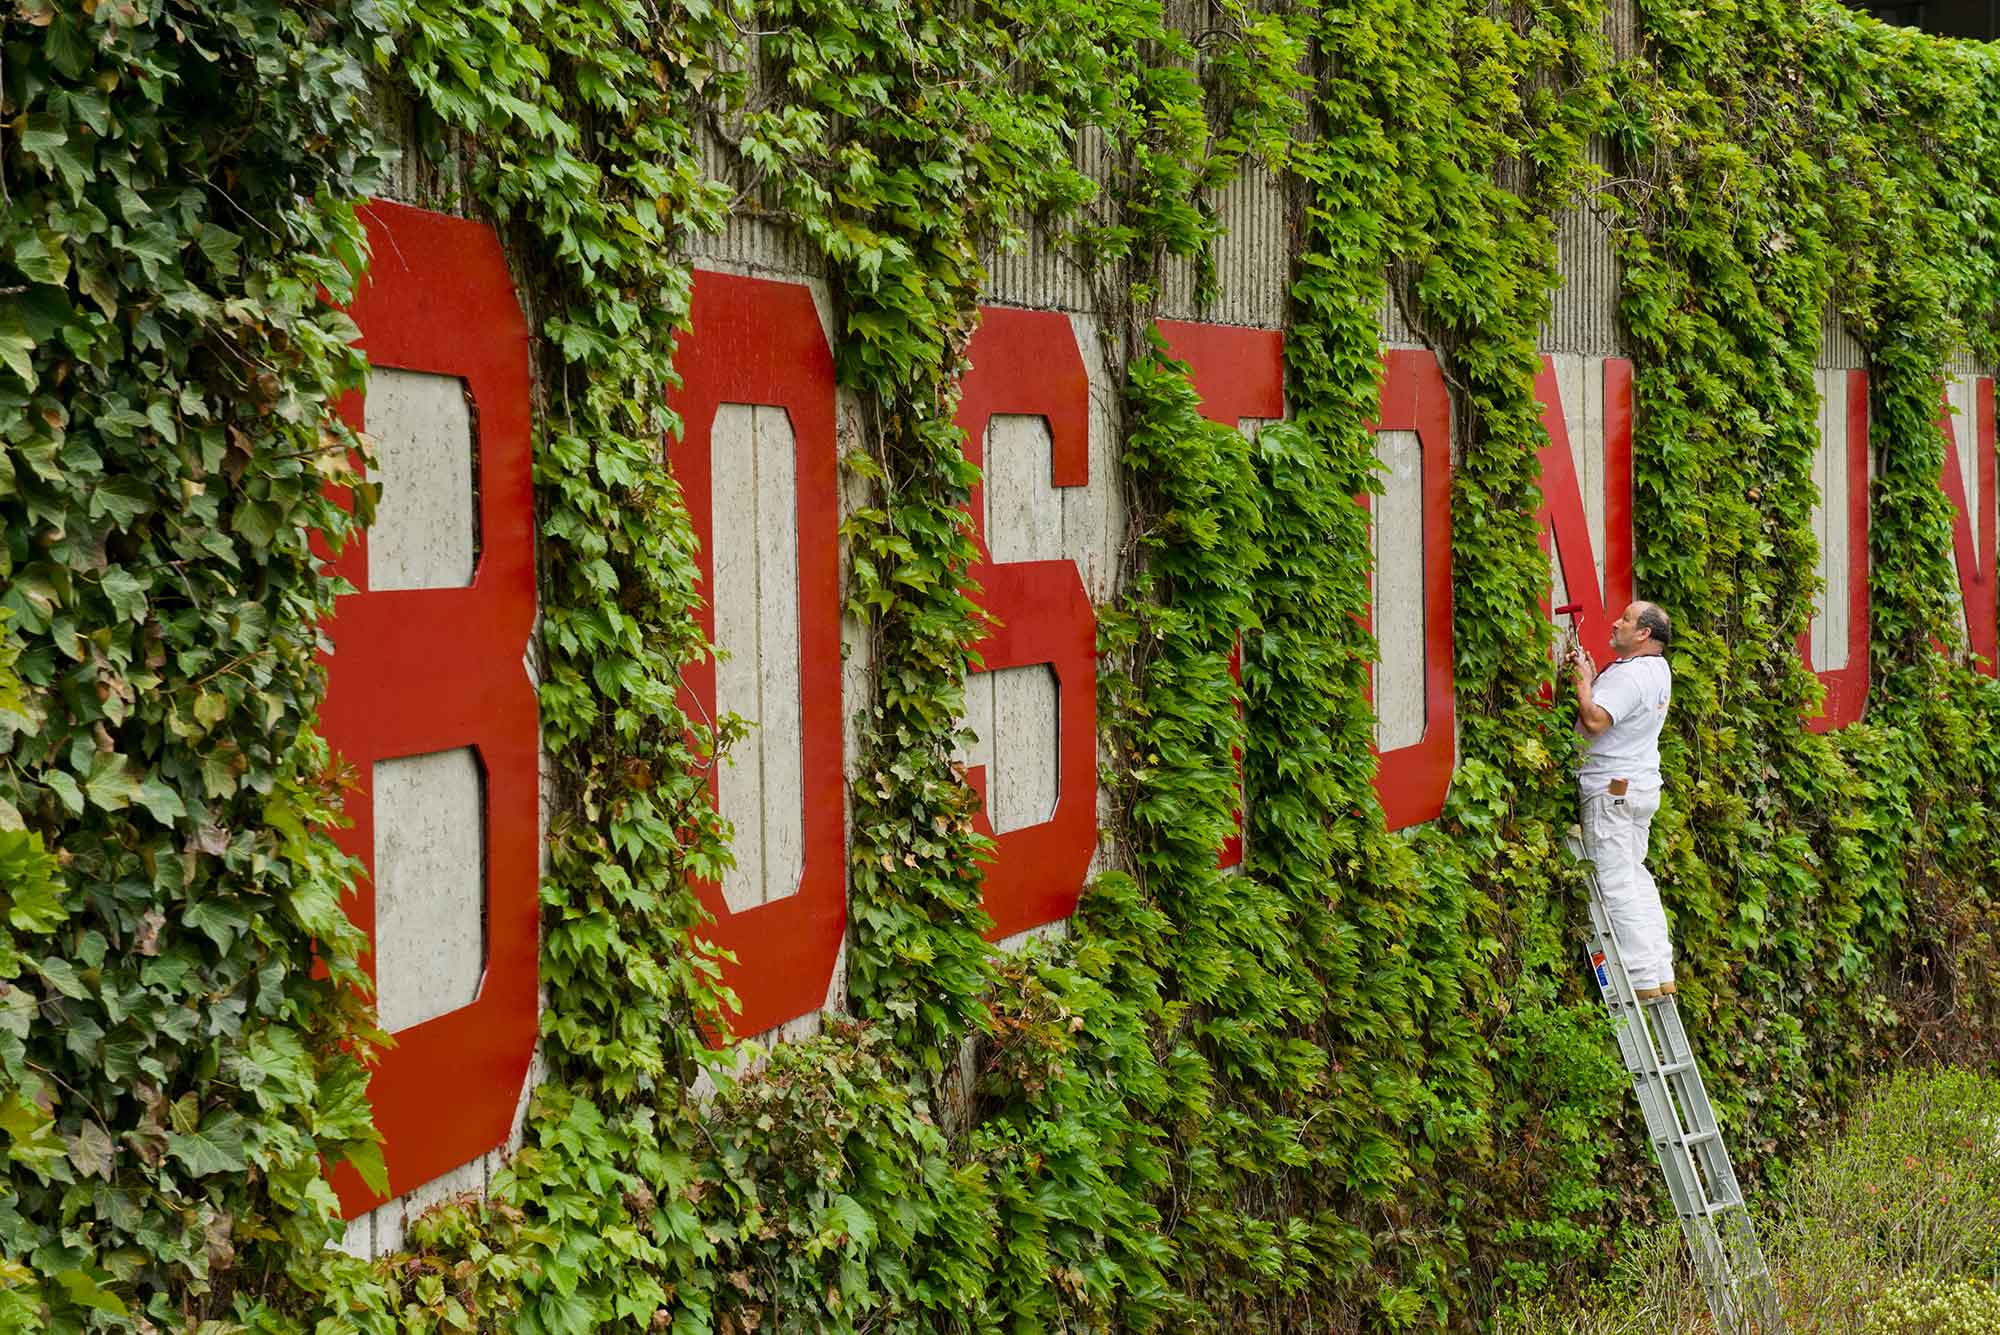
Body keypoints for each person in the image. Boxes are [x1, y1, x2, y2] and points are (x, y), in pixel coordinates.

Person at [1570, 601, 1676, 999]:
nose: (1616, 623)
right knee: (1635, 875)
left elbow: (1597, 721)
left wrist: (1583, 682)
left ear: (1644, 633)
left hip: (1613, 788)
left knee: (1614, 881)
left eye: (1627, 620)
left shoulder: (1630, 676)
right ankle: (1659, 968)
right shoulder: (1657, 670)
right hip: (1640, 786)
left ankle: (1639, 978)